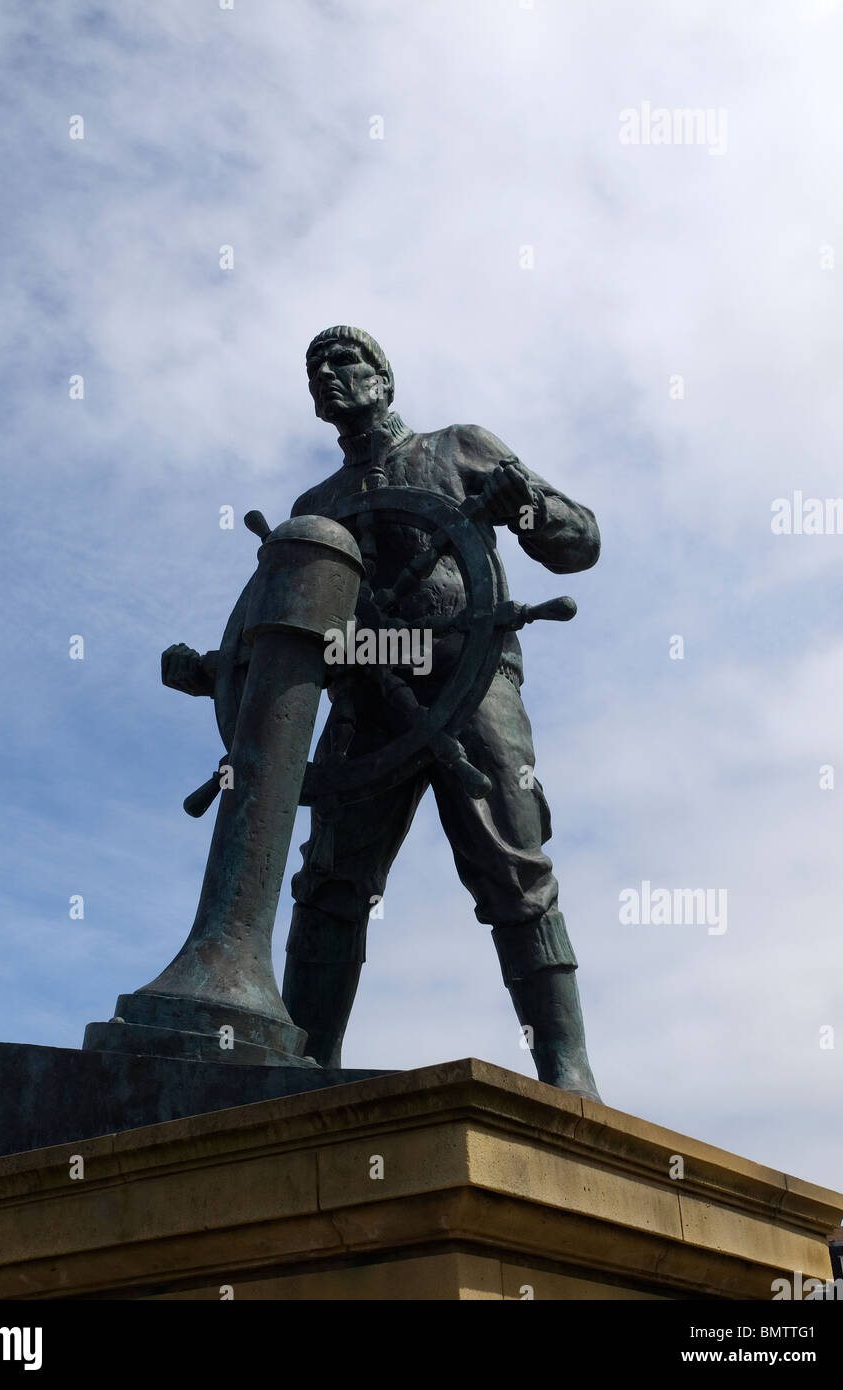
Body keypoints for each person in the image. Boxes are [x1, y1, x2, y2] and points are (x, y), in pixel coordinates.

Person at [279, 326, 602, 1098]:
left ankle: (565, 1067)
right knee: (327, 887)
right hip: (365, 706)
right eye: (314, 368)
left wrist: (522, 502)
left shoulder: (458, 448)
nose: (328, 375)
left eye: (344, 361)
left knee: (515, 871)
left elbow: (577, 544)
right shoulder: (313, 508)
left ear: (382, 379)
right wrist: (218, 669)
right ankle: (298, 1072)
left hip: (472, 682)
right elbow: (288, 635)